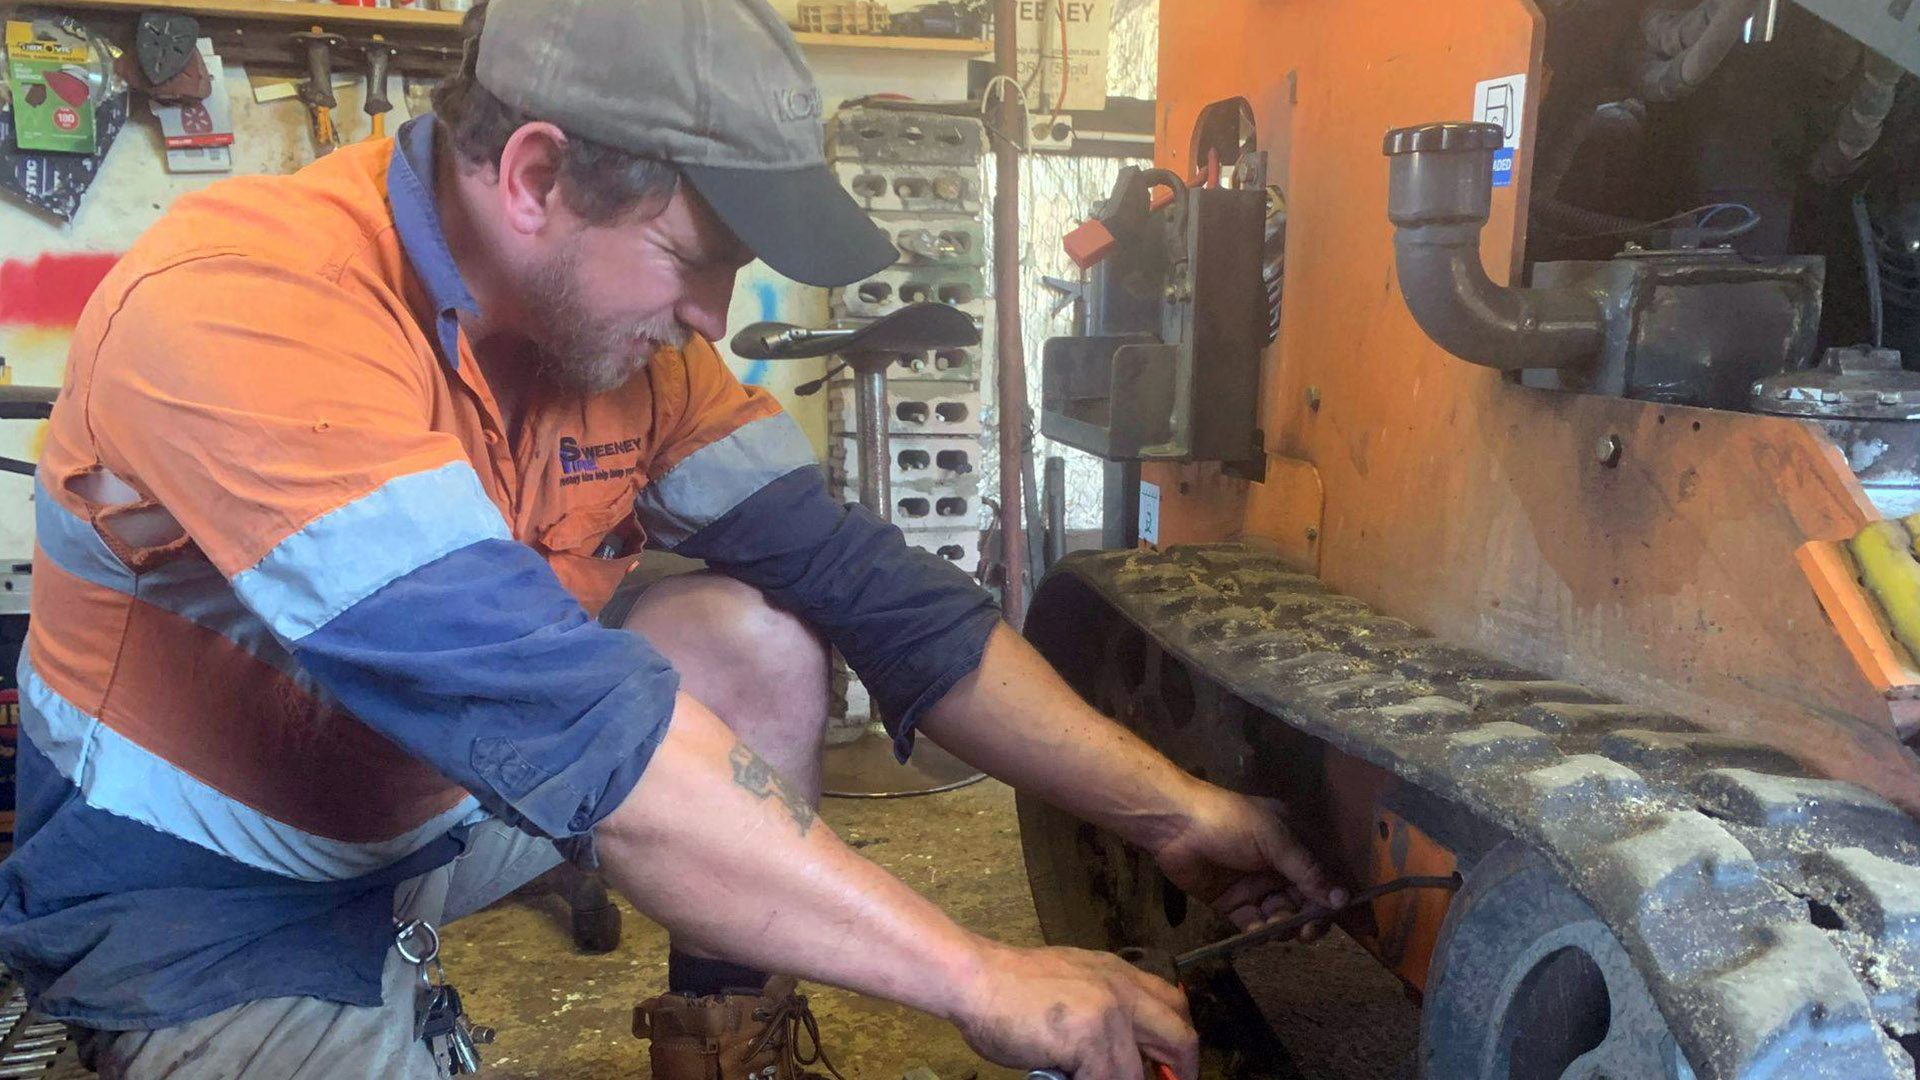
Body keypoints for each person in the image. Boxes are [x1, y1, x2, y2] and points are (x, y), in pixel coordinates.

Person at [1, 1, 1341, 1077]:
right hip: (208, 893)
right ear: (536, 176)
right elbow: (579, 729)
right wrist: (976, 977)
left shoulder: (620, 344)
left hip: (434, 820)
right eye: (698, 254)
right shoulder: (248, 307)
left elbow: (875, 595)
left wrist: (1177, 811)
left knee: (756, 635)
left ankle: (726, 1042)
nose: (718, 312)